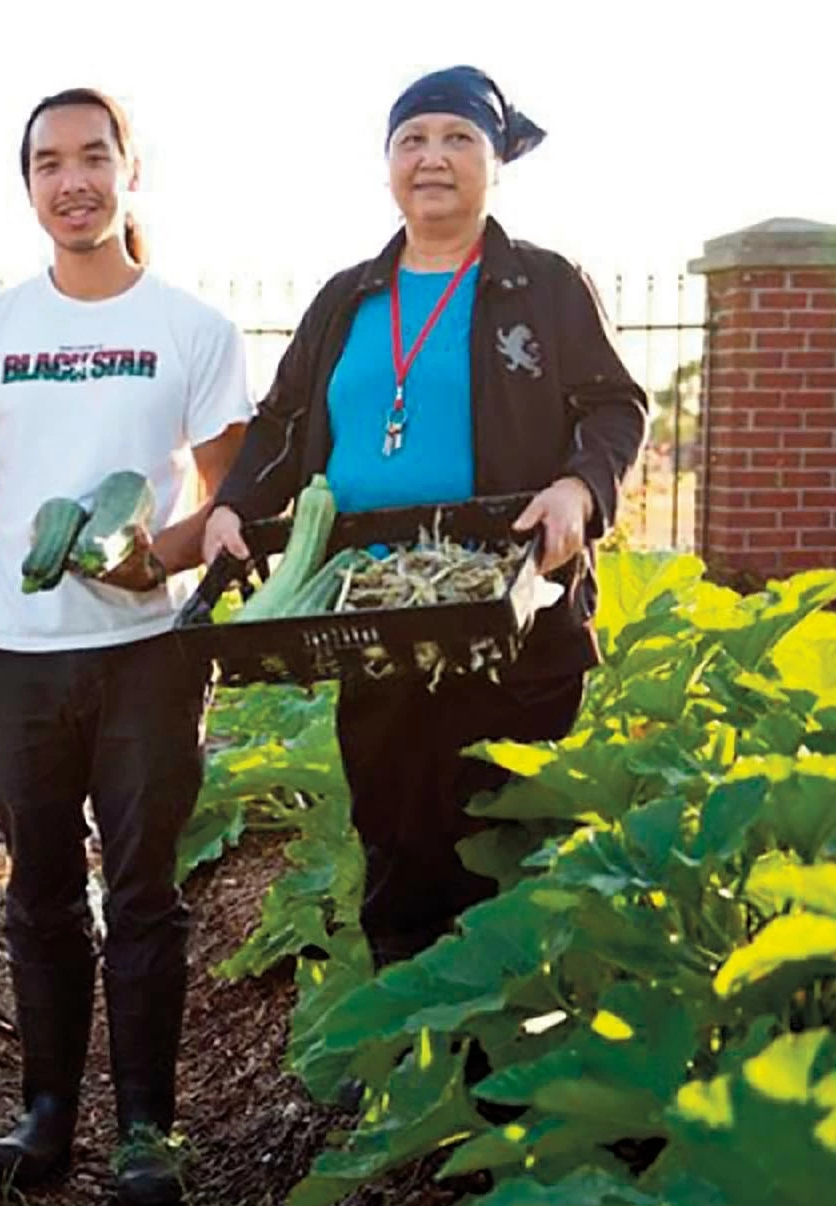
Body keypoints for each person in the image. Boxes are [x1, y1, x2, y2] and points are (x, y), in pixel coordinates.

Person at [203, 66, 648, 969]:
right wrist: (234, 509)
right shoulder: (347, 299)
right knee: (398, 841)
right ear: (388, 167)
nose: (432, 159)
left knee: (503, 846)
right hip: (374, 609)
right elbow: (287, 423)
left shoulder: (546, 286)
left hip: (507, 607)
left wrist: (578, 491)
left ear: (494, 163)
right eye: (412, 140)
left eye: (457, 140)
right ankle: (413, 1063)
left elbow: (613, 407)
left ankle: (501, 1070)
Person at [0, 88, 253, 1206]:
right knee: (43, 892)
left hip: (149, 653)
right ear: (28, 186)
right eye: (50, 162)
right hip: (13, 656)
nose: (74, 180)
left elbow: (229, 506)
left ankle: (149, 1128)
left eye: (93, 157)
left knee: (147, 890)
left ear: (130, 169)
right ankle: (48, 1114)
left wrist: (149, 560)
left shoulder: (192, 329)